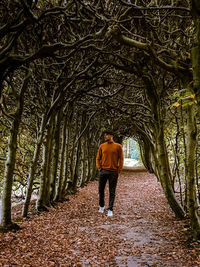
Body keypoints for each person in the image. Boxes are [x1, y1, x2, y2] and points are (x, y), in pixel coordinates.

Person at [96, 130, 124, 216]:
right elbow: (97, 158)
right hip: (103, 171)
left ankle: (110, 209)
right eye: (105, 135)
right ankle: (101, 205)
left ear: (111, 136)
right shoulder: (102, 146)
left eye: (107, 135)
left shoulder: (118, 146)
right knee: (101, 190)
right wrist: (99, 168)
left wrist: (119, 169)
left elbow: (121, 158)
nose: (105, 137)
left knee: (112, 191)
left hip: (113, 172)